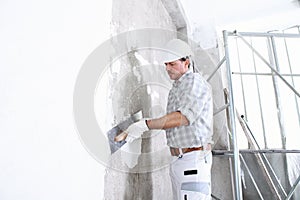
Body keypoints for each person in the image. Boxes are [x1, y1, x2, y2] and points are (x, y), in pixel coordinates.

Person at [115, 39, 213, 200]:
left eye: (172, 64)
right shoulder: (178, 86)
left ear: (186, 63)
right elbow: (174, 122)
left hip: (192, 161)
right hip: (180, 160)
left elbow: (183, 117)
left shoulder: (193, 82)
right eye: (166, 64)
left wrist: (145, 125)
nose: (167, 68)